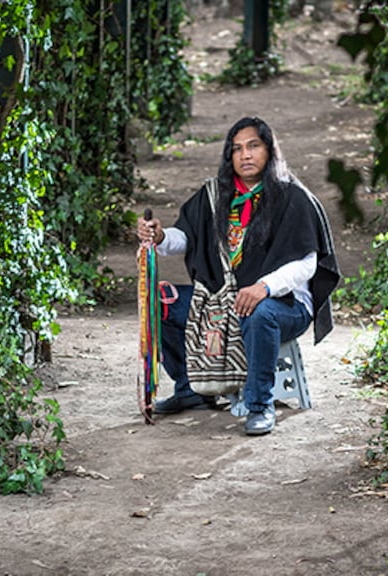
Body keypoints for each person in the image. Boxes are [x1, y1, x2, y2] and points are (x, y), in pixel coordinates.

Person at [136, 116, 340, 435]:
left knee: (258, 312)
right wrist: (160, 237)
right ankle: (191, 390)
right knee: (162, 302)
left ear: (270, 151)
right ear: (229, 157)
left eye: (253, 146)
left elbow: (306, 265)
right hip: (224, 299)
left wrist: (264, 287)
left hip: (284, 306)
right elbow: (187, 237)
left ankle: (260, 406)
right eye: (237, 149)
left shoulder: (292, 198)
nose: (245, 155)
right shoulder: (216, 196)